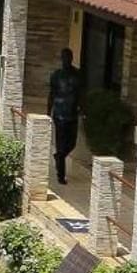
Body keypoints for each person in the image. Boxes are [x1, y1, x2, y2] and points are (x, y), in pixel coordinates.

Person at [47, 47, 83, 186]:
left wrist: (82, 109)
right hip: (59, 115)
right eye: (64, 58)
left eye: (68, 57)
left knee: (72, 143)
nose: (66, 60)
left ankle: (59, 157)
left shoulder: (77, 75)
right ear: (61, 59)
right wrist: (48, 111)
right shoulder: (56, 76)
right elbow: (51, 94)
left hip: (72, 114)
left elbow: (81, 94)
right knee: (61, 144)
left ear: (71, 58)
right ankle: (61, 175)